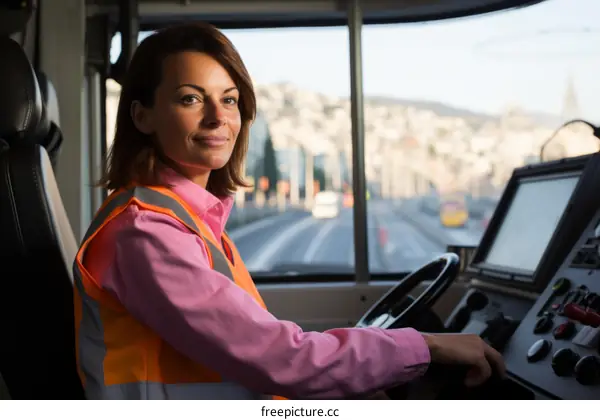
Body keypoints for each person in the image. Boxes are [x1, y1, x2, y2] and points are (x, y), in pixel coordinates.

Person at [73, 22, 505, 400]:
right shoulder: (146, 234)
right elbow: (282, 358)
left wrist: (349, 389)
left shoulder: (187, 220)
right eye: (190, 99)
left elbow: (257, 363)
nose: (217, 118)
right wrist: (426, 347)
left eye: (229, 99)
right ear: (142, 116)